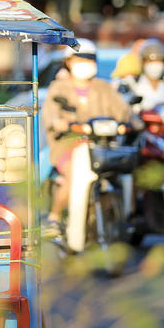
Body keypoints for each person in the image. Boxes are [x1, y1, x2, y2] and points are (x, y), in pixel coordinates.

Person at [41, 38, 133, 237]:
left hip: (101, 146)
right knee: (74, 175)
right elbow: (51, 115)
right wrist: (60, 122)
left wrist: (134, 121)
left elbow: (123, 111)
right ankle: (54, 217)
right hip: (67, 145)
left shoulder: (103, 87)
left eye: (90, 59)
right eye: (81, 59)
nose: (86, 64)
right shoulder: (59, 87)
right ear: (69, 62)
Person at [114, 38, 164, 111]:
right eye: (150, 61)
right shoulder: (132, 82)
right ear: (143, 62)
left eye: (159, 61)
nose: (155, 65)